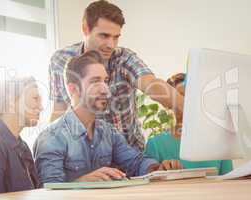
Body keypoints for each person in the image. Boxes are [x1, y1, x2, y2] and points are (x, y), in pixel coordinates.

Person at [49, 0, 184, 152]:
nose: (111, 45)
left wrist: (186, 107)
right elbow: (59, 110)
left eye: (116, 37)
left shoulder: (124, 58)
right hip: (86, 156)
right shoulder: (61, 60)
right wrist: (50, 146)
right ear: (85, 28)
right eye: (104, 36)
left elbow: (150, 83)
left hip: (129, 155)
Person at [34, 51, 182, 184]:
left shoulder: (108, 132)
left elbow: (135, 163)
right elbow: (48, 191)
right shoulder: (51, 138)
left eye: (105, 81)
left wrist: (157, 168)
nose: (105, 89)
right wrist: (81, 182)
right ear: (73, 89)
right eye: (95, 81)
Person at [145, 73, 233, 175]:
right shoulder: (156, 145)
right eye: (180, 96)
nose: (186, 102)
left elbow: (230, 183)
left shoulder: (219, 144)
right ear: (168, 104)